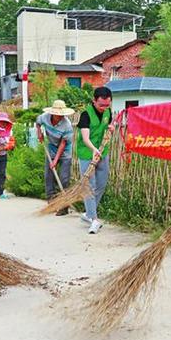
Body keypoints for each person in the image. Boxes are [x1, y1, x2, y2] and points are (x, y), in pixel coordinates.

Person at [77, 87, 115, 234]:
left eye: (107, 105)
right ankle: (94, 219)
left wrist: (111, 127)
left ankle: (88, 213)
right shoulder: (85, 115)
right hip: (87, 153)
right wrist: (94, 150)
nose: (104, 108)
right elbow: (85, 137)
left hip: (102, 151)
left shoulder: (108, 112)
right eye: (101, 105)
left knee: (102, 184)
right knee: (89, 186)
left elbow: (109, 125)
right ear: (94, 101)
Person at [35, 99, 75, 216]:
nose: (59, 117)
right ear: (52, 113)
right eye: (57, 115)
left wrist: (55, 160)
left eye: (61, 115)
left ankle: (64, 207)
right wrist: (39, 133)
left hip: (65, 153)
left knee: (64, 179)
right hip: (51, 149)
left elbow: (63, 144)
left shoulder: (67, 126)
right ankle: (52, 203)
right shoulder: (45, 117)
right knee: (48, 176)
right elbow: (38, 122)